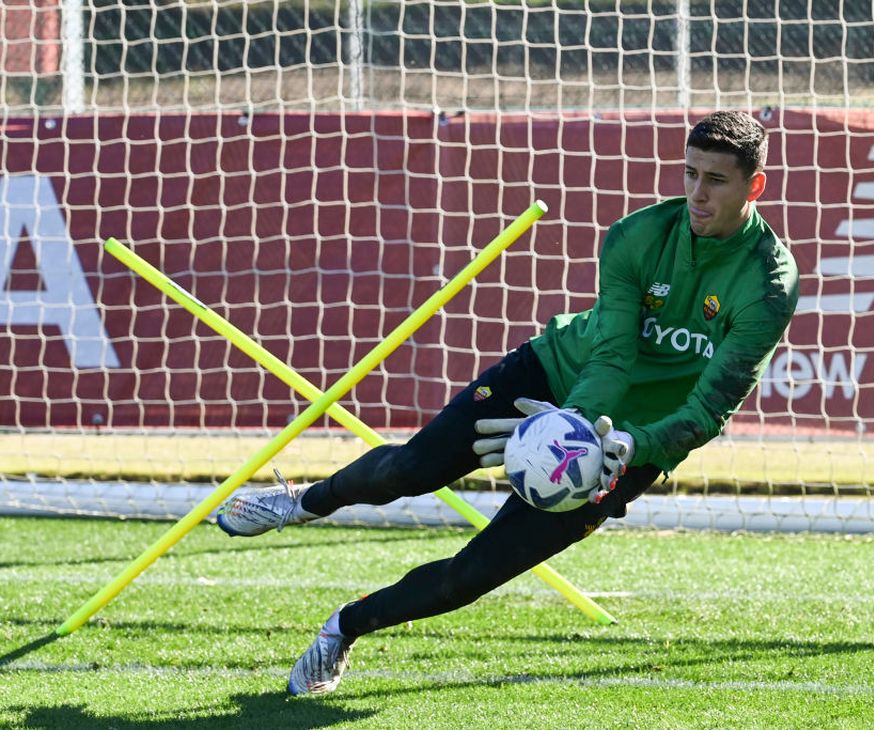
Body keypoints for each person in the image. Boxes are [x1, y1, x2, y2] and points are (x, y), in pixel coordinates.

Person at [216, 109, 800, 696]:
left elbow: (709, 409)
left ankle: (342, 628)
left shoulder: (768, 283)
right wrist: (572, 422)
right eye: (690, 173)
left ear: (754, 186)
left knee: (471, 576)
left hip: (633, 444)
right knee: (412, 468)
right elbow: (612, 355)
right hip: (554, 375)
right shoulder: (638, 235)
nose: (697, 194)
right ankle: (303, 502)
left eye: (715, 181)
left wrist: (632, 443)